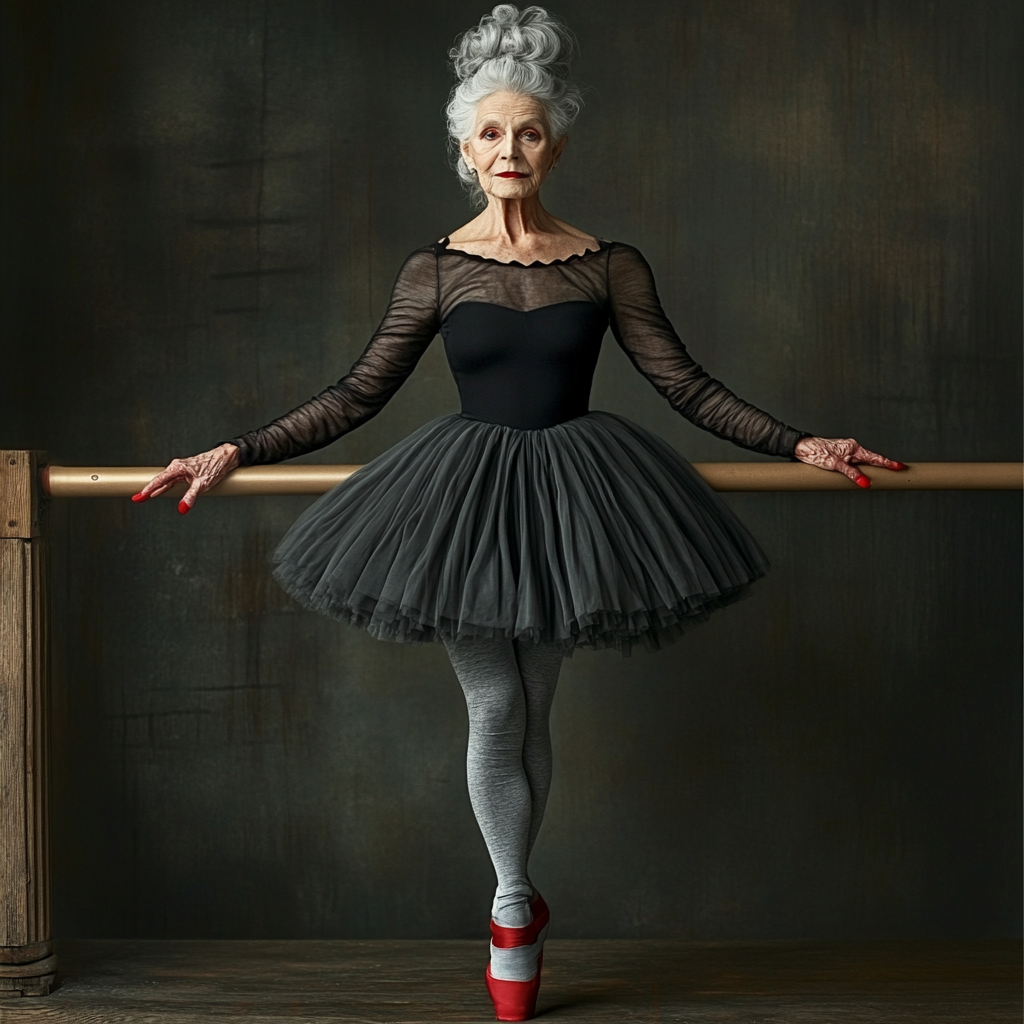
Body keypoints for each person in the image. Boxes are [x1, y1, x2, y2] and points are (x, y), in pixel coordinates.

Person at [134, 6, 904, 1020]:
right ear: (462, 145)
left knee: (534, 706)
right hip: (462, 502)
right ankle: (508, 903)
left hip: (575, 498)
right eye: (491, 131)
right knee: (495, 705)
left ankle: (522, 902)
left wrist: (803, 441)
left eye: (529, 130)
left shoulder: (607, 262)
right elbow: (356, 392)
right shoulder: (437, 269)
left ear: (557, 140)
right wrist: (236, 446)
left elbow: (687, 387)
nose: (510, 148)